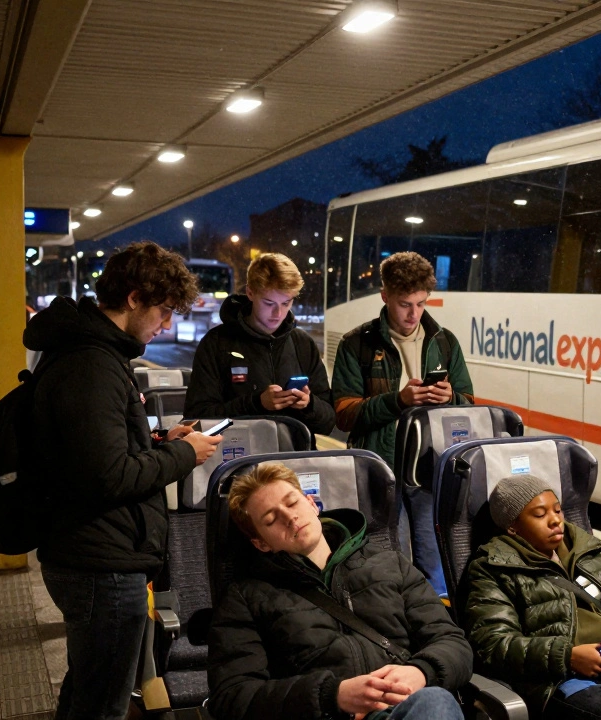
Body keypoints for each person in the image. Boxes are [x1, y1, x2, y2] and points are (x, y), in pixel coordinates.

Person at [26, 242, 223, 720]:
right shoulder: (91, 364)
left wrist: (157, 441)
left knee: (88, 685)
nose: (167, 325)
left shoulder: (89, 353)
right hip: (101, 561)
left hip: (96, 551)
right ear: (134, 299)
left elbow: (94, 453)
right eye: (163, 311)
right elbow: (108, 476)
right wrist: (182, 454)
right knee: (104, 703)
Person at [208, 461, 471, 720]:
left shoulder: (391, 564)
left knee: (433, 701)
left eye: (292, 503)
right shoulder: (246, 598)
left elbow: (452, 643)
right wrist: (332, 696)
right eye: (271, 519)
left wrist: (420, 672)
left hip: (407, 708)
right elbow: (233, 696)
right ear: (261, 543)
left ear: (311, 504)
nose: (289, 517)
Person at [332, 251, 473, 596]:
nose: (414, 314)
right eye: (404, 304)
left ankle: (437, 629)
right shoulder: (357, 344)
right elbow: (344, 414)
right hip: (381, 471)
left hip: (429, 471)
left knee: (434, 563)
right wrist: (399, 401)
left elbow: (469, 406)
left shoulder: (444, 341)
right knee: (385, 561)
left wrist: (450, 398)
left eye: (421, 304)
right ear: (384, 296)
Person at [462, 475, 601, 720]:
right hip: (564, 678)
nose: (555, 521)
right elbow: (492, 644)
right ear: (513, 527)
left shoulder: (590, 550)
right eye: (540, 515)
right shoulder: (493, 568)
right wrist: (568, 656)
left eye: (557, 510)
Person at [186, 252, 334, 434]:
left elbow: (328, 423)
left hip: (293, 458)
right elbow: (197, 419)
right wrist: (257, 403)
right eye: (269, 303)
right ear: (250, 292)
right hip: (238, 458)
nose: (278, 313)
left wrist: (309, 405)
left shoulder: (302, 343)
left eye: (286, 303)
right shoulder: (217, 343)